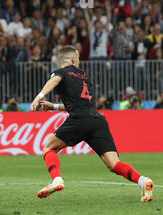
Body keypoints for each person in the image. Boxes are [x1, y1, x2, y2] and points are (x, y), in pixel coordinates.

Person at [30, 45, 153, 202]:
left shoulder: (60, 73)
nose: (79, 62)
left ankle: (57, 180)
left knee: (49, 147)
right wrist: (53, 106)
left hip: (79, 121)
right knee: (114, 164)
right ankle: (143, 181)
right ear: (73, 59)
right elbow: (81, 103)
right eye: (78, 58)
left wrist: (39, 96)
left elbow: (55, 79)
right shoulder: (84, 77)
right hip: (97, 121)